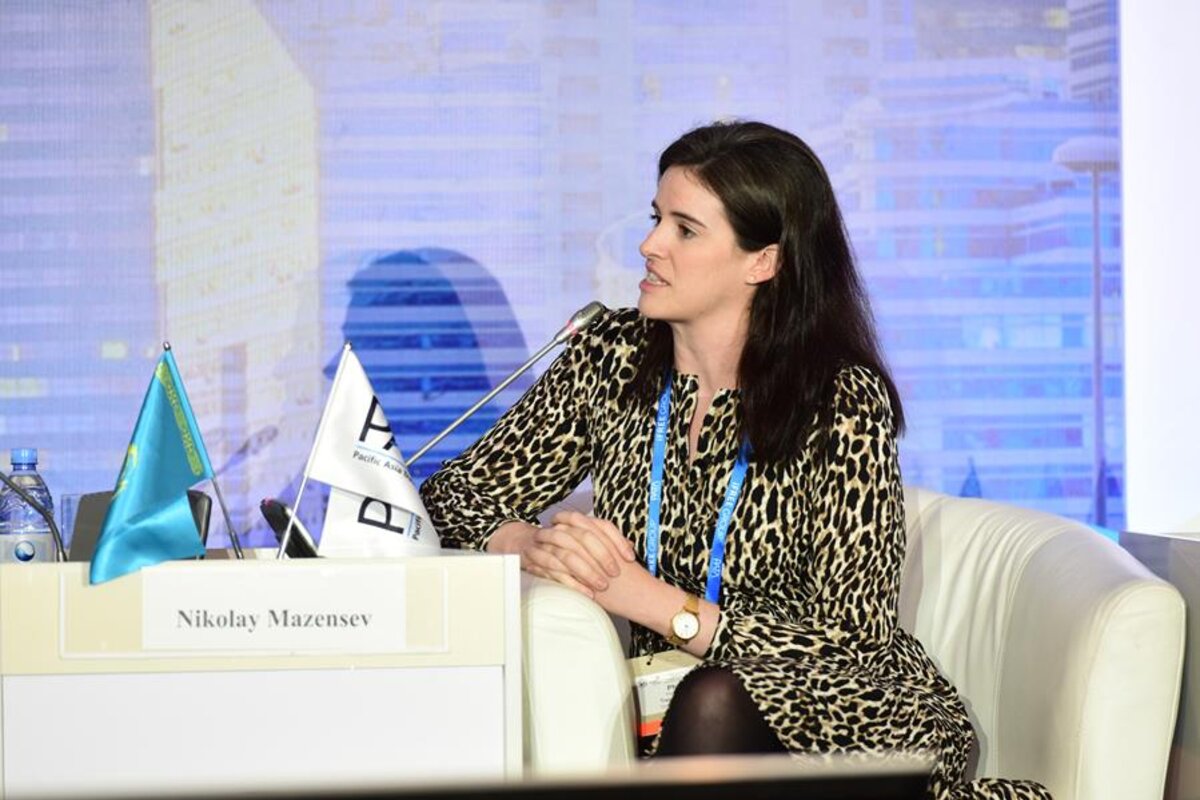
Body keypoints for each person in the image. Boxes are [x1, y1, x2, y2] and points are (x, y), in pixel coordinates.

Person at [419, 120, 1052, 800]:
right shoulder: (611, 359)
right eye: (656, 218)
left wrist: (653, 603)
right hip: (676, 717)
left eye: (685, 230)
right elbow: (450, 496)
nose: (650, 245)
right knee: (705, 704)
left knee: (714, 699)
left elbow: (852, 642)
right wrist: (528, 544)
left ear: (764, 262)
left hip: (845, 718)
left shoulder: (839, 399)